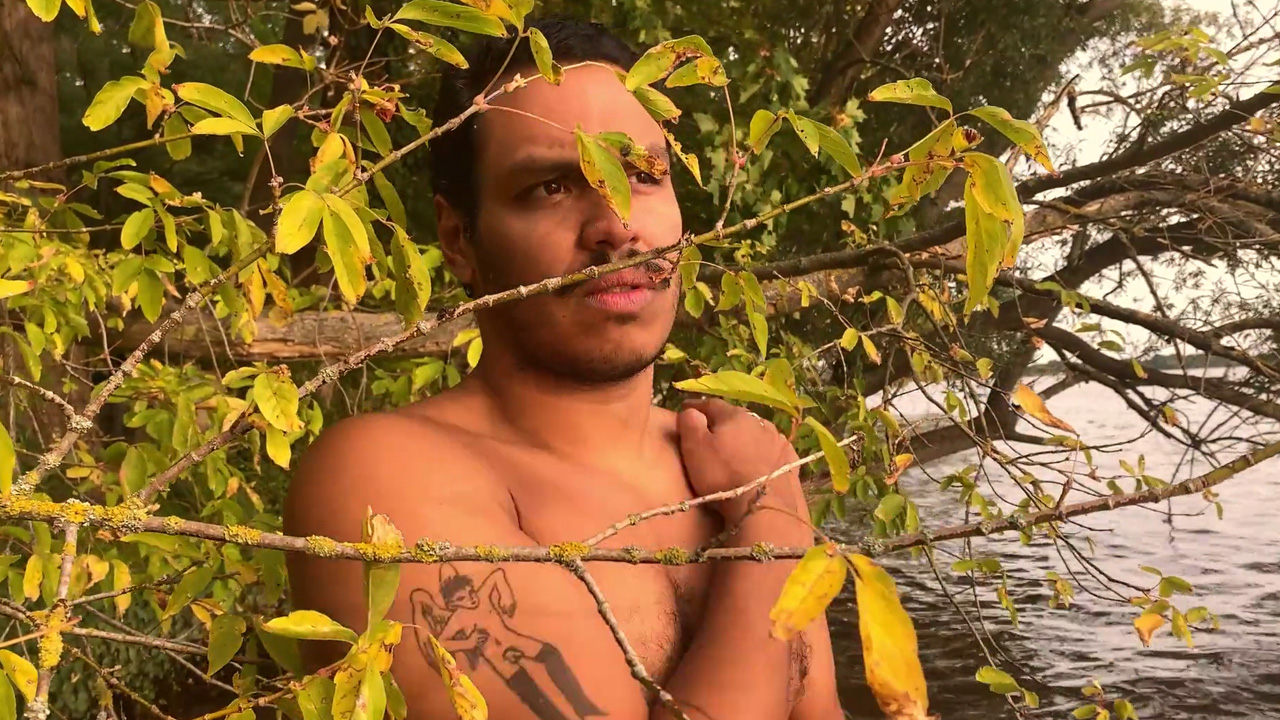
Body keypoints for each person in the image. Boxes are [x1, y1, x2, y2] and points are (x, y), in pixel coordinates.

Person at [284, 16, 844, 720]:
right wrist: (771, 526)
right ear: (459, 239)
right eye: (551, 186)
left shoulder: (729, 463)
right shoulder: (380, 478)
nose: (617, 225)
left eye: (641, 175)